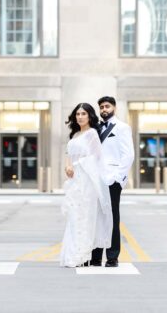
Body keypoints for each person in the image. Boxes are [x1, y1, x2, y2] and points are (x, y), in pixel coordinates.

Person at [59, 103, 112, 267]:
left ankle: (82, 255)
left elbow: (97, 158)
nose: (80, 117)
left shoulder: (92, 134)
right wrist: (68, 166)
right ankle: (74, 252)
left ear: (89, 116)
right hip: (74, 180)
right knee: (74, 216)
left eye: (83, 114)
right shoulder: (75, 135)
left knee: (85, 216)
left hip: (87, 180)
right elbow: (69, 155)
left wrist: (77, 164)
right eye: (77, 114)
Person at [91, 95, 134, 268]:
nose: (104, 110)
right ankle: (95, 256)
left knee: (112, 218)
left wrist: (118, 179)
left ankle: (112, 256)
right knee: (96, 218)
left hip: (112, 180)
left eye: (107, 106)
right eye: (101, 107)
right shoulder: (95, 129)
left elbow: (128, 154)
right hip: (95, 179)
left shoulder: (122, 128)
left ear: (114, 108)